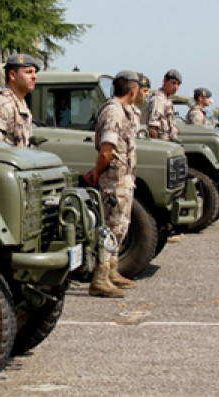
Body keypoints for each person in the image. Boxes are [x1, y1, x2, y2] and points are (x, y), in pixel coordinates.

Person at [83, 70, 140, 298]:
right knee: (111, 228)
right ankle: (100, 278)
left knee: (121, 226)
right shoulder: (114, 111)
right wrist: (97, 172)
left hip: (122, 178)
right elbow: (107, 150)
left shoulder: (122, 110)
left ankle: (111, 271)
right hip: (113, 180)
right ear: (133, 91)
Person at [0, 53, 40, 146]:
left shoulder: (20, 103)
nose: (34, 77)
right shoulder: (2, 105)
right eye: (29, 72)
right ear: (12, 75)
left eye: (35, 72)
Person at [146, 69, 182, 141]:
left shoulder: (167, 100)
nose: (176, 87)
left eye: (178, 84)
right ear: (164, 81)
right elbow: (153, 127)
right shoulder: (159, 100)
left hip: (168, 141)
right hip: (161, 142)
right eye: (173, 83)